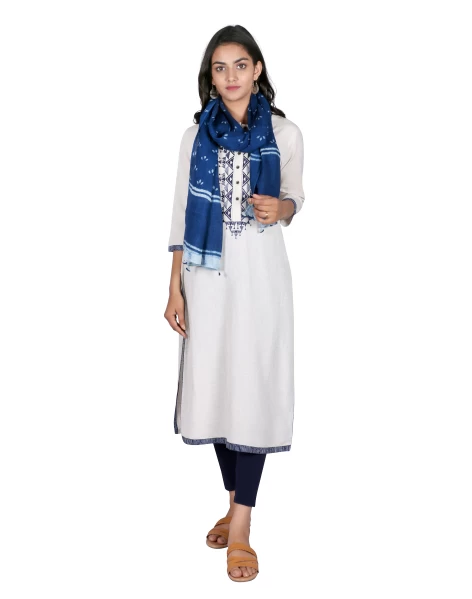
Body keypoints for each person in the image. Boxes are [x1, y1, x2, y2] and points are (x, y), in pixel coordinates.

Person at [164, 24, 304, 582]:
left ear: (257, 69)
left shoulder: (285, 133)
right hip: (205, 279)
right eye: (220, 68)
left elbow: (296, 196)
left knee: (255, 389)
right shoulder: (194, 136)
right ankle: (232, 503)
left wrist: (282, 208)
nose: (231, 77)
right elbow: (180, 214)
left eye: (240, 65)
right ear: (211, 76)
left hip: (262, 281)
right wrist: (173, 287)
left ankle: (241, 525)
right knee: (217, 389)